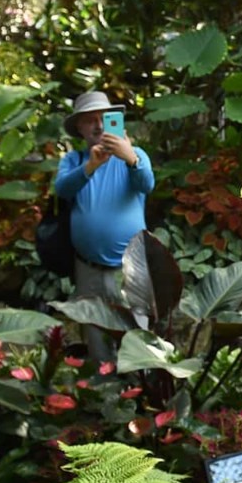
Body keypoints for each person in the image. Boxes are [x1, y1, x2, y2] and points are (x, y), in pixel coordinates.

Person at [55, 92, 155, 361]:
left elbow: (147, 184)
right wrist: (90, 166)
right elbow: (62, 190)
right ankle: (104, 394)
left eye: (103, 118)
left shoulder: (136, 155)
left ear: (116, 122)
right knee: (97, 335)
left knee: (137, 336)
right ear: (80, 128)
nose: (98, 125)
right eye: (90, 120)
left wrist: (130, 157)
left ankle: (140, 391)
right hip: (88, 268)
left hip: (131, 267)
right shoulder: (74, 161)